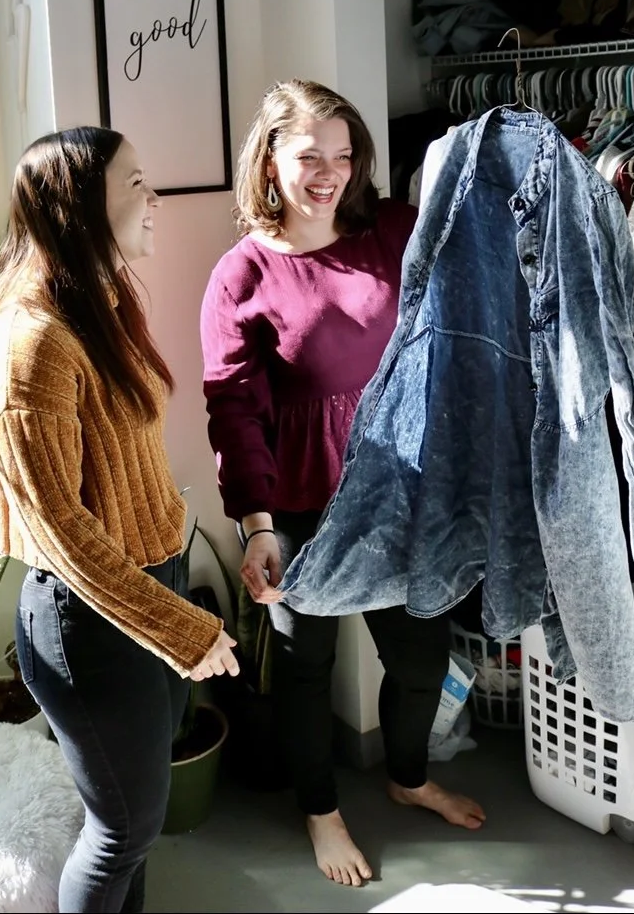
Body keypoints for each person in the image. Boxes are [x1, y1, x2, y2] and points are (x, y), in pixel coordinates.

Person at [200, 79, 485, 888]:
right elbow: (232, 409)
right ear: (269, 162)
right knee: (304, 665)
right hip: (296, 503)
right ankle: (321, 810)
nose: (328, 172)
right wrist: (256, 525)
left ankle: (405, 775)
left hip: (397, 490)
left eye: (342, 154)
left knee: (422, 653)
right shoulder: (241, 274)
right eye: (307, 156)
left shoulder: (392, 228)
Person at [0, 127, 239, 914]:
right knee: (122, 828)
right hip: (85, 618)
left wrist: (172, 601)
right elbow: (60, 530)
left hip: (143, 587)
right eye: (136, 184)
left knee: (139, 825)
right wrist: (182, 627)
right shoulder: (31, 342)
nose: (154, 199)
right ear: (80, 204)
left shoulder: (99, 304)